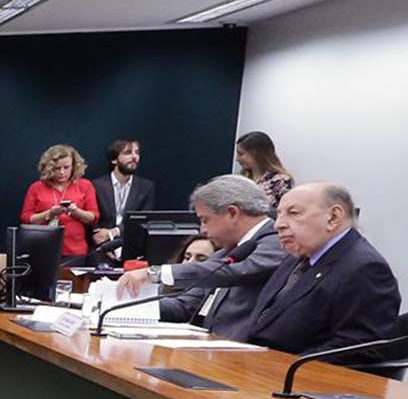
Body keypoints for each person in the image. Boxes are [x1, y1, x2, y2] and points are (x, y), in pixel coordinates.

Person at [237, 183, 397, 358]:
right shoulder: (298, 255)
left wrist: (285, 366)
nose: (278, 225)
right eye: (279, 214)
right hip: (256, 364)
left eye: (293, 213)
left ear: (333, 217)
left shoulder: (365, 268)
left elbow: (359, 346)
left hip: (296, 378)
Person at [114, 175, 280, 337]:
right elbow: (185, 305)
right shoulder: (229, 250)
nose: (202, 230)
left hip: (246, 353)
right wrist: (118, 306)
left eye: (205, 220)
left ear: (232, 213)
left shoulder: (275, 240)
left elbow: (240, 271)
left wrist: (155, 273)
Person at [20, 144, 99, 261]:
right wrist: (49, 214)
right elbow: (26, 218)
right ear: (49, 168)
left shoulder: (85, 185)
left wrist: (76, 212)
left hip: (75, 252)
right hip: (43, 248)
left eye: (66, 167)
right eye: (57, 168)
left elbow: (93, 217)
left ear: (74, 166)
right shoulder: (36, 187)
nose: (62, 172)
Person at [90, 139, 155, 252]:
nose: (134, 157)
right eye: (128, 153)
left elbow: (145, 220)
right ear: (114, 159)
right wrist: (105, 244)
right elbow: (93, 220)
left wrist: (115, 232)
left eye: (137, 152)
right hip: (101, 248)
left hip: (132, 246)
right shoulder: (97, 185)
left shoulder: (146, 187)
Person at [235, 131, 295, 207]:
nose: (237, 159)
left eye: (241, 154)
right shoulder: (240, 179)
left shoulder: (281, 181)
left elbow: (287, 210)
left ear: (256, 153)